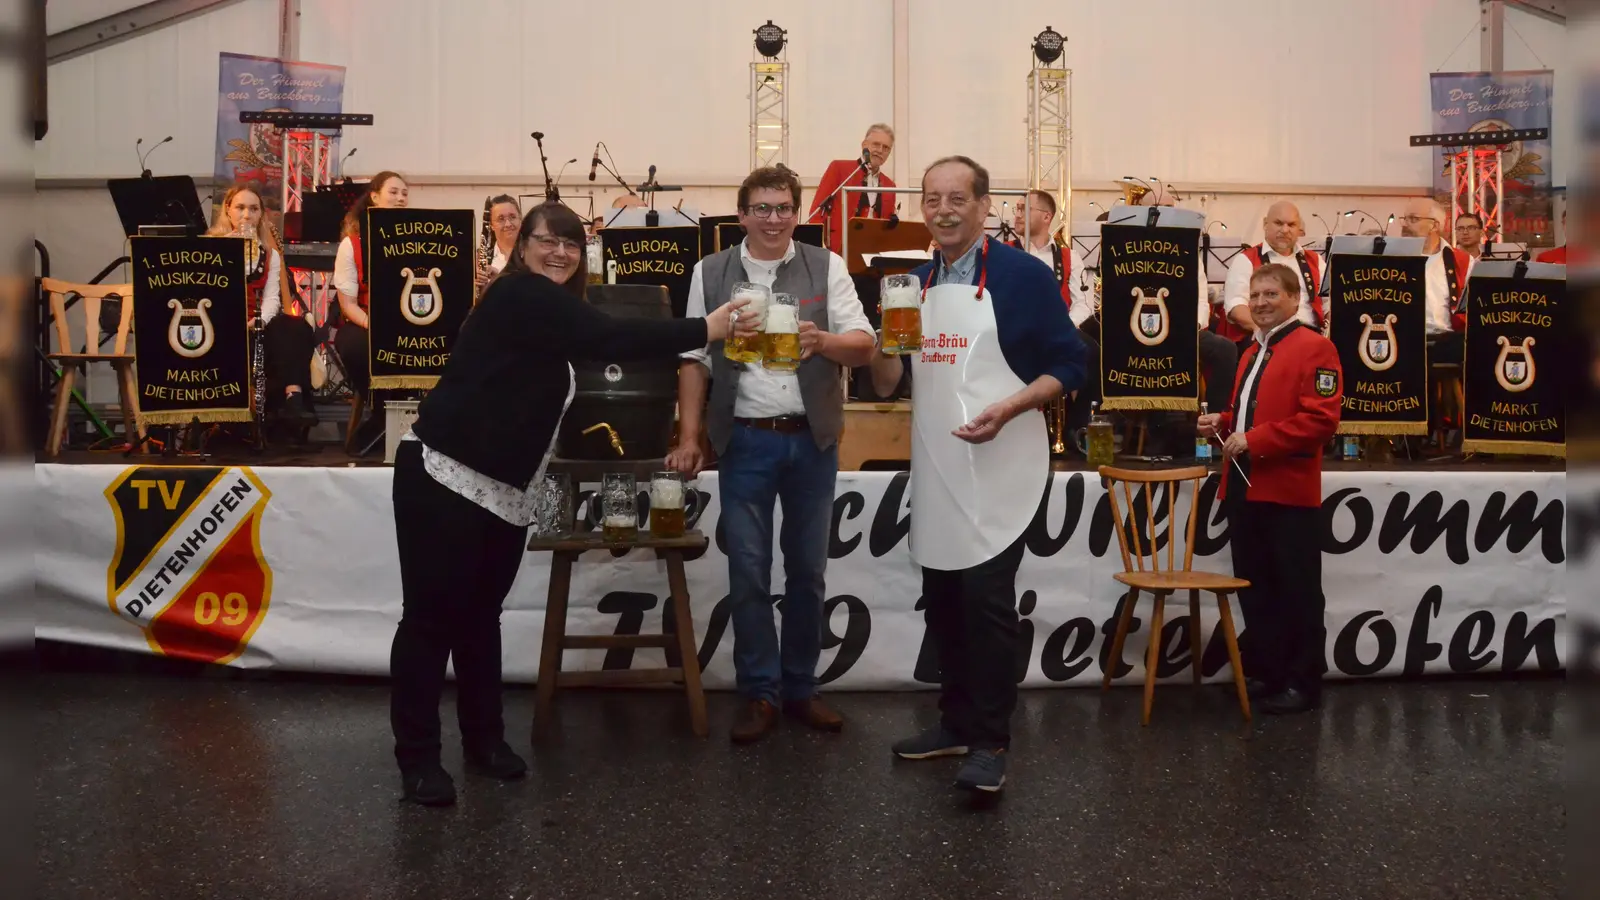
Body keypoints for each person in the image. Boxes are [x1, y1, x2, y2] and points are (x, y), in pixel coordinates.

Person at [390, 202, 754, 806]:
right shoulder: (517, 295)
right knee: (430, 623)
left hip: (502, 491)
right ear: (521, 247)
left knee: (480, 620)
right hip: (444, 476)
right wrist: (705, 328)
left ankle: (483, 742)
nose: (559, 252)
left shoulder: (549, 319)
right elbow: (610, 336)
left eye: (571, 244)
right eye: (545, 240)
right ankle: (418, 759)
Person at [868, 156, 1086, 793]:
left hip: (1002, 464)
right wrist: (887, 339)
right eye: (932, 199)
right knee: (943, 602)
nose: (943, 210)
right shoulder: (911, 282)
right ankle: (954, 722)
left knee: (987, 604)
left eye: (957, 198)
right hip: (938, 468)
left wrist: (1012, 407)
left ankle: (990, 739)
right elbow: (886, 387)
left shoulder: (1022, 276)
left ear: (984, 206)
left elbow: (1071, 364)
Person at [667, 166, 877, 743]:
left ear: (797, 212)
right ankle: (759, 692)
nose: (773, 218)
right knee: (749, 572)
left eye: (783, 207)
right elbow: (694, 360)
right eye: (761, 208)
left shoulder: (827, 265)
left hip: (812, 440)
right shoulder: (710, 273)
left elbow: (865, 344)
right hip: (745, 440)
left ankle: (801, 689)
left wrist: (823, 341)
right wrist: (689, 438)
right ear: (742, 215)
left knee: (808, 573)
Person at [1197, 263, 1342, 715]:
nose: (1260, 302)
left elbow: (1321, 421)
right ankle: (1268, 673)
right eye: (1255, 295)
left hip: (1288, 491)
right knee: (1256, 589)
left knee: (1296, 591)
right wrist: (1222, 423)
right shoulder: (1248, 352)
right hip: (1243, 486)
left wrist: (1253, 440)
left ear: (1294, 299)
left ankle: (1302, 683)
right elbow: (1248, 412)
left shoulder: (1316, 349)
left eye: (1270, 294)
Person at [206, 183, 316, 426]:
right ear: (228, 210)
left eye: (254, 209)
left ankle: (294, 397)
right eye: (240, 208)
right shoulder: (212, 247)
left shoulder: (269, 254)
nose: (247, 215)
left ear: (261, 214)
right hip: (218, 324)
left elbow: (271, 298)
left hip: (254, 322)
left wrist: (260, 321)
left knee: (295, 326)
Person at [1010, 189, 1098, 433]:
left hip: (1058, 329)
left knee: (1094, 353)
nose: (1016, 215)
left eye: (1023, 209)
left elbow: (1084, 302)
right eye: (1016, 208)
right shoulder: (1003, 251)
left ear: (1046, 217)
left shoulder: (1070, 256)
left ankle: (1076, 429)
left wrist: (1063, 327)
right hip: (1016, 329)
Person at [332, 171, 408, 398]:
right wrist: (371, 324)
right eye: (393, 192)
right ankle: (381, 409)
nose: (401, 198)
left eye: (405, 194)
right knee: (355, 346)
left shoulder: (417, 241)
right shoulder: (352, 244)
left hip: (408, 323)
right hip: (364, 321)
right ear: (374, 197)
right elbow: (348, 304)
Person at [1220, 201, 1325, 341]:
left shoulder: (1315, 260)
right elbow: (1236, 306)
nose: (1285, 230)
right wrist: (1261, 330)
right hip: (1267, 336)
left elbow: (1329, 302)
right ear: (1265, 224)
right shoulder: (1246, 260)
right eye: (1279, 223)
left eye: (1291, 225)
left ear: (1299, 228)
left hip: (1312, 336)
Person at [1398, 197, 1472, 364]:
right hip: (1402, 338)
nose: (1405, 224)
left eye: (1413, 219)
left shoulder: (1462, 261)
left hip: (1446, 341)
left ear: (1435, 225)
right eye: (1404, 219)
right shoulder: (1392, 258)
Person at [807, 123, 898, 253]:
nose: (880, 150)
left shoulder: (890, 185)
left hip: (872, 255)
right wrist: (817, 251)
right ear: (864, 145)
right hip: (837, 252)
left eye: (886, 148)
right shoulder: (839, 169)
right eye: (876, 144)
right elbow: (816, 212)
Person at [476, 194, 522, 295]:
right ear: (491, 225)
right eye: (501, 219)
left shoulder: (532, 254)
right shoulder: (479, 257)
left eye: (512, 217)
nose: (508, 224)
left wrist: (499, 280)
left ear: (520, 219)